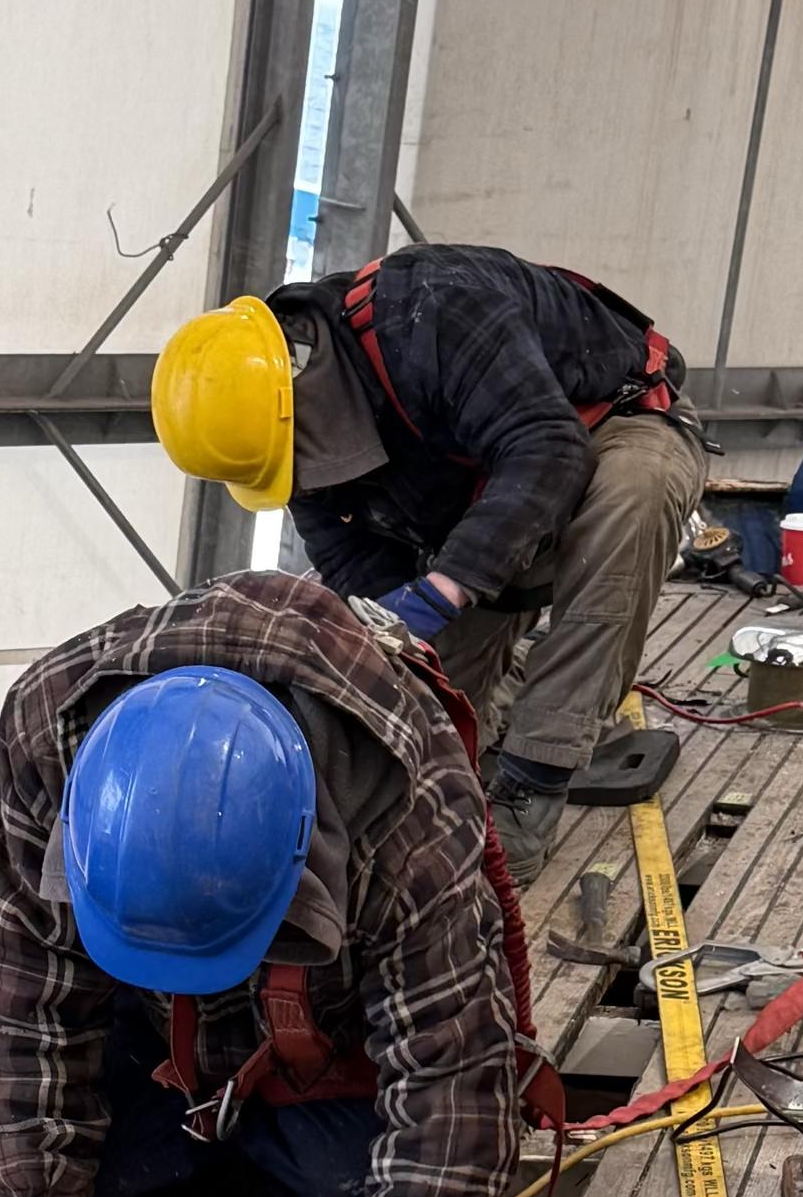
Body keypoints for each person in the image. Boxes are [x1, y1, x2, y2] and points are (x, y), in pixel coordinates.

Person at [0, 570, 524, 1197]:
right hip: (160, 1038)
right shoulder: (51, 739)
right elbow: (13, 996)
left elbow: (458, 1118)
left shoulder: (410, 811)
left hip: (326, 1042)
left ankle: (246, 1143)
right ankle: (224, 1144)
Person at [152, 243, 707, 881]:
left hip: (607, 430)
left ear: (298, 393)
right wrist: (391, 653)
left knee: (632, 497)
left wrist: (444, 590)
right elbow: (359, 570)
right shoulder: (291, 434)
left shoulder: (433, 309)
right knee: (422, 710)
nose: (302, 479)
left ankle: (534, 778)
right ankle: (522, 683)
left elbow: (550, 452)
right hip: (488, 496)